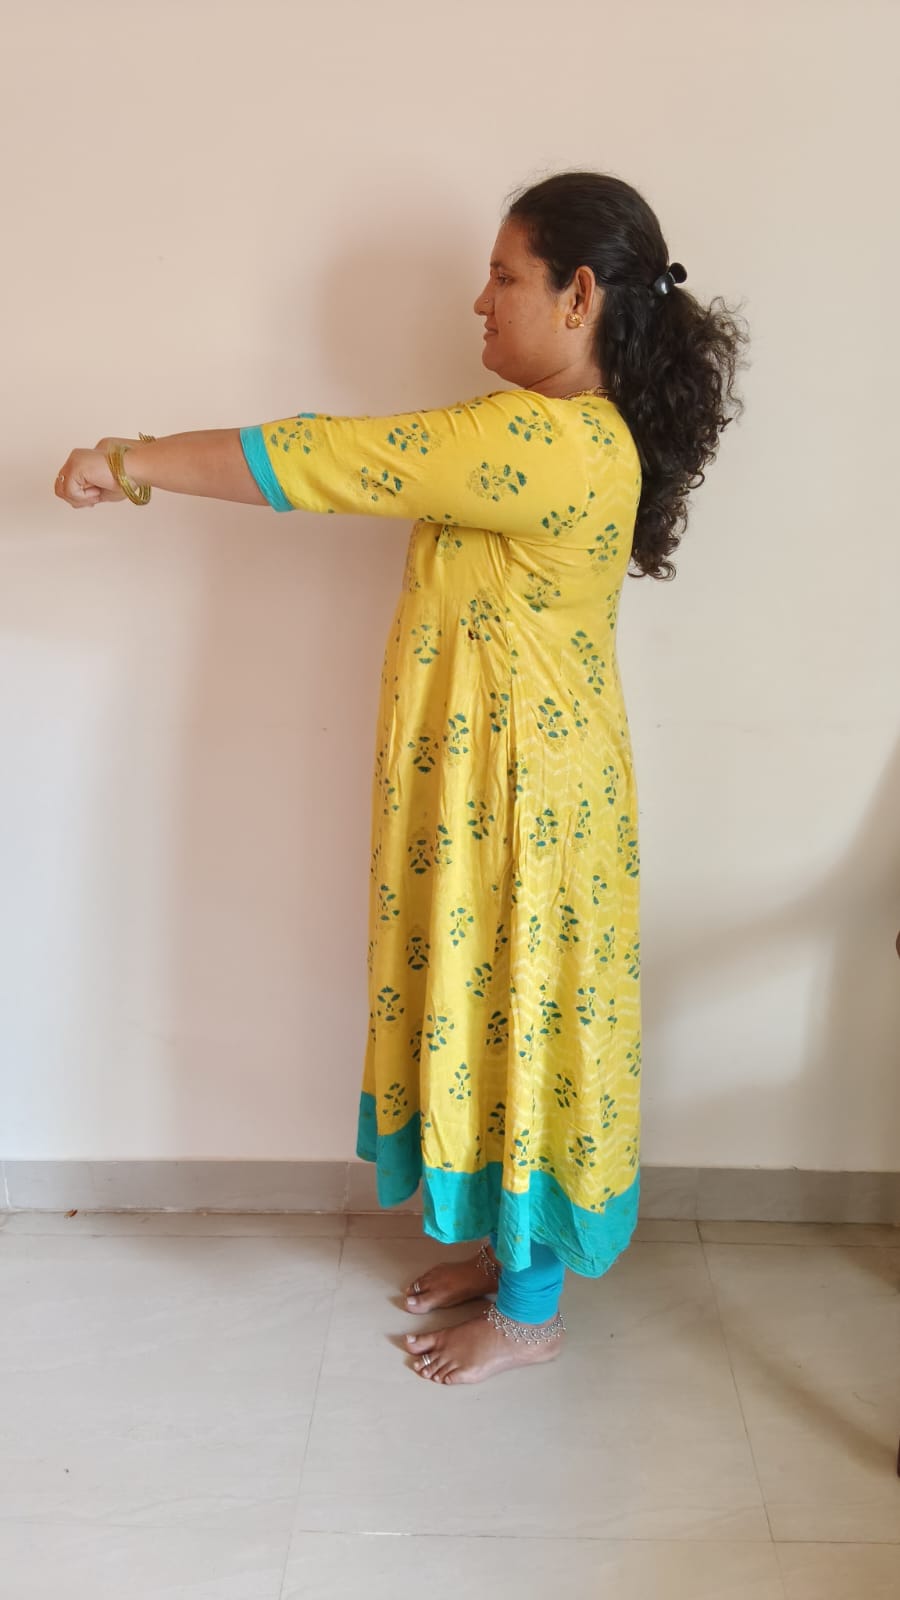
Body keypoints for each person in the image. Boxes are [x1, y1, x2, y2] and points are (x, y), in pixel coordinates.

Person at [55, 171, 748, 1386]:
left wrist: (129, 460)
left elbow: (332, 458)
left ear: (579, 295)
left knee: (524, 1022)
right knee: (495, 1015)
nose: (479, 301)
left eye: (504, 276)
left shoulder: (543, 439)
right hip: (513, 792)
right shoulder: (559, 435)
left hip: (529, 809)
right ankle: (507, 1250)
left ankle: (529, 1314)